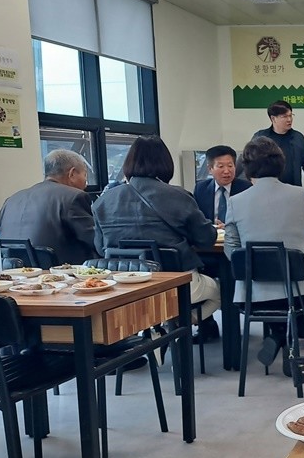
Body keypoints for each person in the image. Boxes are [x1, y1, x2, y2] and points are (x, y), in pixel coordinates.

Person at [224, 137, 304, 366]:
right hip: (302, 291)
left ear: (245, 168)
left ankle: (277, 335)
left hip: (253, 296)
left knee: (281, 302)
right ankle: (287, 341)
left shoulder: (235, 201)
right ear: (281, 165)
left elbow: (231, 252)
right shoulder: (298, 195)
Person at [92, 135, 221, 332]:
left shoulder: (103, 202)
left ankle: (160, 331)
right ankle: (182, 324)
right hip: (176, 284)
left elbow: (101, 249)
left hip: (126, 286)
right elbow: (206, 238)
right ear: (165, 163)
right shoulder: (178, 195)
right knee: (218, 292)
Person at [0, 149, 96, 264]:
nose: (86, 183)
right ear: (72, 173)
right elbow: (95, 241)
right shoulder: (73, 197)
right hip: (61, 275)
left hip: (14, 274)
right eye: (85, 175)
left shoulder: (12, 200)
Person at [251, 100, 304, 187]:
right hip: (267, 191)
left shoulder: (298, 137)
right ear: (273, 118)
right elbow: (251, 165)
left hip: (293, 190)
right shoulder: (261, 137)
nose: (289, 119)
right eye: (285, 116)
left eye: (290, 115)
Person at [193, 145, 251, 226]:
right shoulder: (201, 189)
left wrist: (229, 227)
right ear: (210, 169)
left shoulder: (246, 188)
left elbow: (249, 219)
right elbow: (197, 219)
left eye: (230, 166)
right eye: (221, 166)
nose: (226, 171)